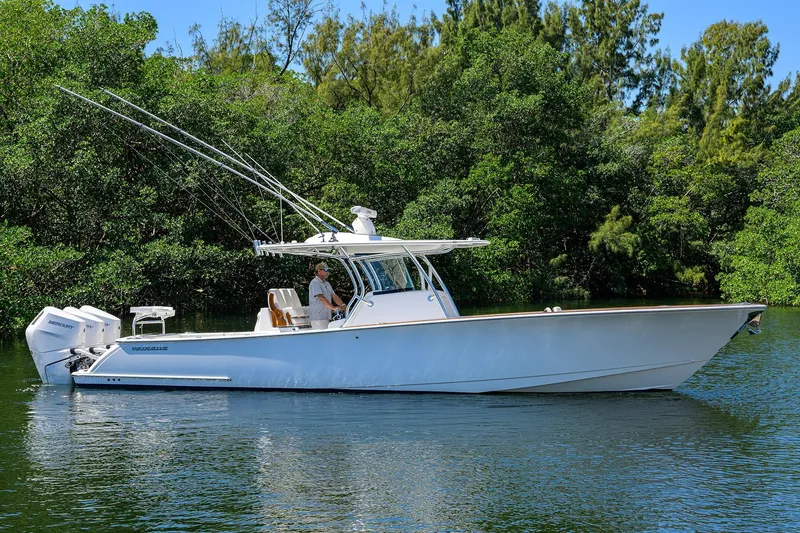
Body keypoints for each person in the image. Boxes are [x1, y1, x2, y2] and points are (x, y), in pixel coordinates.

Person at [308, 262, 345, 330]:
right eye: (326, 270)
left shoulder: (327, 284)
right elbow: (321, 298)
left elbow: (334, 296)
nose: (328, 272)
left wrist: (342, 305)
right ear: (319, 271)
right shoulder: (315, 282)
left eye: (328, 270)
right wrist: (333, 308)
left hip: (326, 318)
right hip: (318, 319)